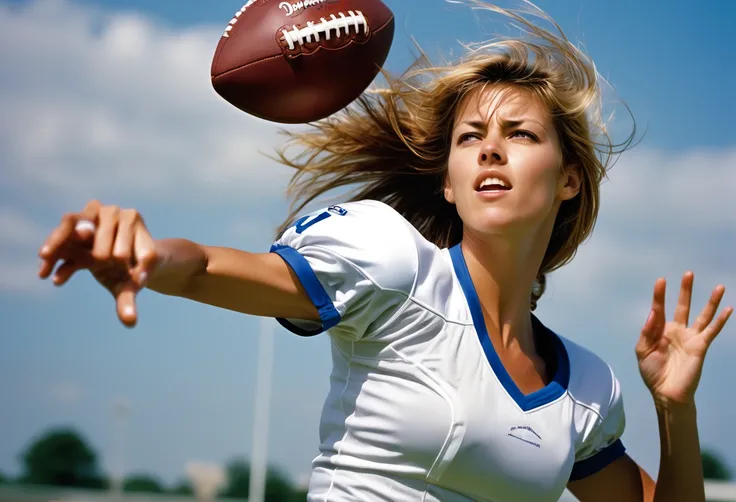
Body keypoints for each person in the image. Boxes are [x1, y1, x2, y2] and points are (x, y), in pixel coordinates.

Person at [38, 2, 731, 501]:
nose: (490, 147)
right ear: (451, 187)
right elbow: (216, 269)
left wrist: (676, 410)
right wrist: (150, 256)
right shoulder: (390, 261)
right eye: (469, 138)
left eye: (520, 134)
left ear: (570, 179)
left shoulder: (584, 387)